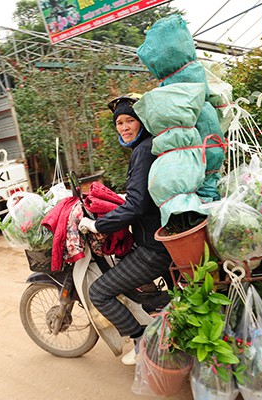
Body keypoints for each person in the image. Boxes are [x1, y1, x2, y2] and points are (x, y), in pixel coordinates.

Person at [78, 94, 172, 366]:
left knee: (100, 292)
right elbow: (141, 195)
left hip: (154, 248)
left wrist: (97, 224)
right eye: (119, 123)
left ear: (141, 121)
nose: (124, 127)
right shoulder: (145, 147)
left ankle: (140, 340)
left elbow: (136, 205)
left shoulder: (143, 150)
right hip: (157, 237)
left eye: (130, 120)